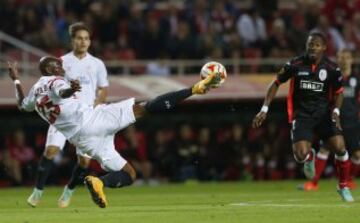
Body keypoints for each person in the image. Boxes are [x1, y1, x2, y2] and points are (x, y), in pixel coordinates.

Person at [7, 56, 221, 208]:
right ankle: (194, 89)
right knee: (143, 106)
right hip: (92, 121)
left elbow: (21, 104)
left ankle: (100, 182)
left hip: (82, 140)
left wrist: (16, 79)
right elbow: (60, 91)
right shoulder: (55, 80)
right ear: (51, 69)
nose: (61, 66)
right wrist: (69, 90)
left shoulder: (34, 91)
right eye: (58, 64)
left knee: (130, 174)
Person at [252, 32, 354, 202]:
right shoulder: (295, 64)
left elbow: (339, 93)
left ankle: (343, 186)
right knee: (300, 155)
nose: (312, 47)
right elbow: (276, 83)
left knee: (340, 148)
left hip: (324, 115)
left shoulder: (332, 68)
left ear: (323, 48)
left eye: (316, 45)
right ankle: (310, 157)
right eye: (310, 44)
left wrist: (336, 112)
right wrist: (264, 109)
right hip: (302, 115)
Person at [27, 22, 109, 208]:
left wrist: (97, 105)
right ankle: (37, 192)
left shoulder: (97, 64)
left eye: (86, 38)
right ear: (72, 40)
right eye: (79, 38)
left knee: (84, 161)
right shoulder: (60, 62)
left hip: (86, 118)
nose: (83, 42)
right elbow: (49, 85)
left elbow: (103, 89)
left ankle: (69, 190)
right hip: (62, 115)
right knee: (50, 151)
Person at [298, 49, 360, 191]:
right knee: (324, 149)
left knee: (357, 154)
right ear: (337, 59)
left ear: (351, 60)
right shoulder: (330, 77)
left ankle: (348, 180)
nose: (344, 60)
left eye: (346, 57)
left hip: (352, 123)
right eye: (340, 57)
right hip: (333, 121)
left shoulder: (356, 79)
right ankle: (313, 183)